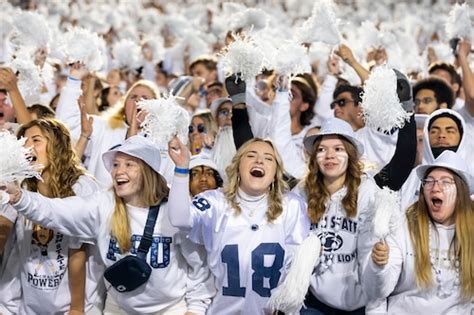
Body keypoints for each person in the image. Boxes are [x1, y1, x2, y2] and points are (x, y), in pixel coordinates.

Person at [3, 135, 215, 314]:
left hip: (171, 309)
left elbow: (199, 266)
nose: (118, 171)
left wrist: (195, 309)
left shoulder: (174, 210)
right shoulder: (103, 204)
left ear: (148, 171)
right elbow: (55, 211)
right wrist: (20, 197)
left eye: (129, 164)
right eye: (115, 165)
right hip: (118, 308)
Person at [168, 137, 310, 314]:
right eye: (251, 155)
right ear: (238, 166)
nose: (259, 160)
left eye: (268, 158)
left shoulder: (292, 206)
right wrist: (182, 168)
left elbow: (296, 271)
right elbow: (179, 218)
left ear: (275, 173)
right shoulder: (215, 202)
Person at [0, 118, 104, 314]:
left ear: (56, 145)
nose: (28, 147)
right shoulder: (22, 186)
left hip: (73, 305)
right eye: (24, 141)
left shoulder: (81, 187)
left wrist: (77, 309)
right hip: (29, 306)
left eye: (36, 140)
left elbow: (78, 252)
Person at [364, 150, 473, 314]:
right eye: (429, 181)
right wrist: (379, 266)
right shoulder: (402, 226)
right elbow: (377, 293)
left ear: (461, 193)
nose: (436, 187)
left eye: (445, 182)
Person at [295, 117, 378, 314]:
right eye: (322, 149)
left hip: (358, 301)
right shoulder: (302, 191)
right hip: (314, 300)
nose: (329, 155)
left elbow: (369, 249)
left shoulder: (367, 190)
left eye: (338, 149)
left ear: (350, 155)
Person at [55, 63, 160, 187]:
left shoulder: (160, 141)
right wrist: (74, 79)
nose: (138, 101)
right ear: (124, 104)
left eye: (145, 98)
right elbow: (67, 124)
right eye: (133, 97)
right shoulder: (103, 127)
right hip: (99, 202)